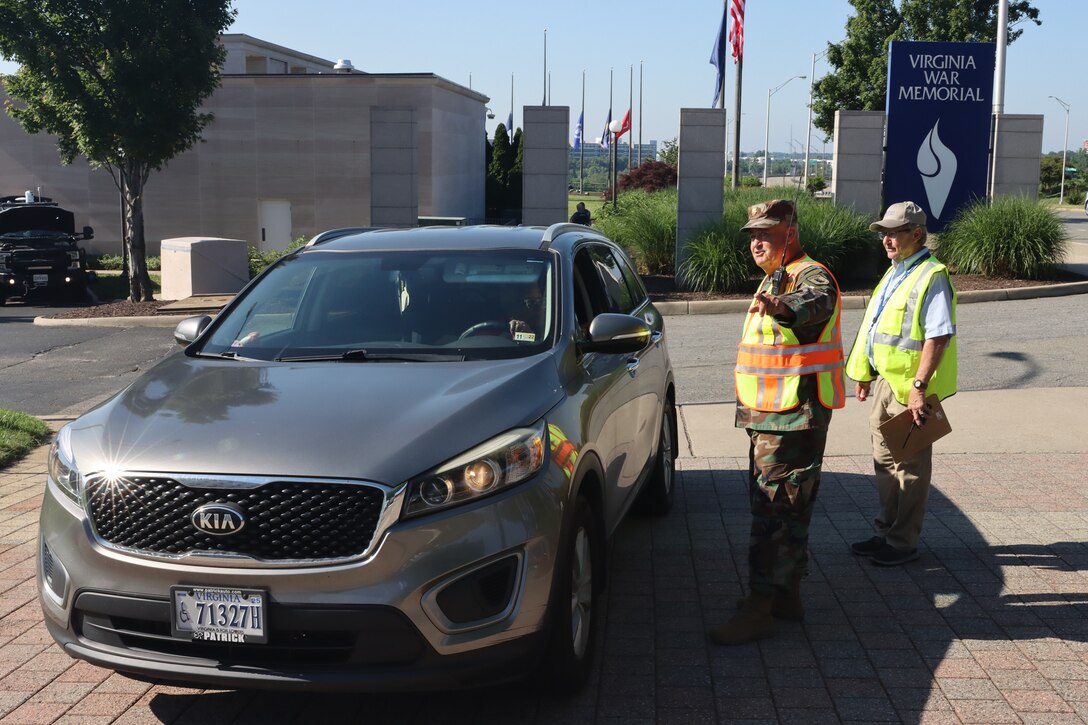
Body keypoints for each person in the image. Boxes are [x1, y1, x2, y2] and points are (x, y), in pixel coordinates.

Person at [709, 199, 845, 646]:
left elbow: (812, 303)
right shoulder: (775, 277)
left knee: (773, 511)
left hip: (793, 418)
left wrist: (782, 307)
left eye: (766, 233)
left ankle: (759, 606)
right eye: (752, 235)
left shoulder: (810, 275)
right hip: (774, 415)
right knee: (787, 509)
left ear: (791, 230)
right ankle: (786, 596)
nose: (757, 242)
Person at [845, 201, 957, 566]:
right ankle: (885, 532)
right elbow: (875, 328)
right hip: (886, 385)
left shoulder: (931, 275)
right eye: (884, 233)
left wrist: (920, 388)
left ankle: (902, 542)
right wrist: (864, 372)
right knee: (884, 461)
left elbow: (937, 337)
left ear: (917, 234)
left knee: (909, 466)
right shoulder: (896, 272)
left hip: (912, 390)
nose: (887, 240)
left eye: (894, 232)